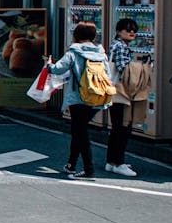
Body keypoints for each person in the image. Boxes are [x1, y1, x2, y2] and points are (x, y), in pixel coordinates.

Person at [44, 22, 109, 179]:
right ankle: (71, 164)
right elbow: (107, 74)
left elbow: (58, 69)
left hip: (78, 98)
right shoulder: (101, 53)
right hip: (97, 97)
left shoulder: (73, 52)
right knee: (78, 130)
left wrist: (49, 65)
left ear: (76, 35)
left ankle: (88, 170)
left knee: (81, 133)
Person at [104, 18, 140, 177]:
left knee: (117, 127)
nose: (132, 32)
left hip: (114, 91)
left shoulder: (116, 45)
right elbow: (124, 70)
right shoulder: (121, 47)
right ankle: (118, 162)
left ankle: (112, 161)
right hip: (121, 92)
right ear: (118, 31)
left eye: (134, 30)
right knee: (123, 128)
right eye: (127, 29)